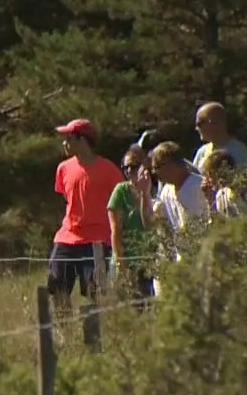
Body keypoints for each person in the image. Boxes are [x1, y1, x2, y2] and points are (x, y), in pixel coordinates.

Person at [49, 118, 124, 312]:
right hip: (68, 237)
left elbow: (121, 204)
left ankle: (95, 333)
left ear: (82, 139)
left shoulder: (109, 170)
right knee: (57, 287)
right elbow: (66, 200)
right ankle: (63, 332)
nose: (64, 143)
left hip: (98, 240)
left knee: (95, 292)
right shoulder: (63, 168)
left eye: (68, 138)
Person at [106, 145, 159, 300]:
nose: (129, 171)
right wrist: (122, 264)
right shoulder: (121, 191)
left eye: (134, 167)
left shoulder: (155, 190)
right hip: (128, 261)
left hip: (151, 261)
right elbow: (116, 229)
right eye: (125, 168)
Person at [149, 140, 210, 262]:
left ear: (172, 164)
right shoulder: (166, 191)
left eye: (157, 167)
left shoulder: (200, 186)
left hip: (204, 257)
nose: (154, 172)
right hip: (182, 260)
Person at [199, 148, 247, 219]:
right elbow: (220, 224)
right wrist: (209, 200)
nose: (208, 180)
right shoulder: (220, 196)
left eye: (210, 174)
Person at [192, 102, 247, 170]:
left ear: (214, 123)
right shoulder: (201, 152)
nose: (196, 128)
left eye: (199, 124)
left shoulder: (240, 152)